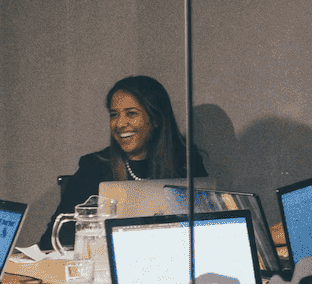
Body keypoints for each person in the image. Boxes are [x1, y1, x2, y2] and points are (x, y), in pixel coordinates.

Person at [38, 75, 207, 251]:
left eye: (131, 114)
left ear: (155, 119)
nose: (119, 123)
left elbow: (205, 235)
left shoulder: (186, 163)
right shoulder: (94, 166)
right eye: (114, 115)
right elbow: (51, 240)